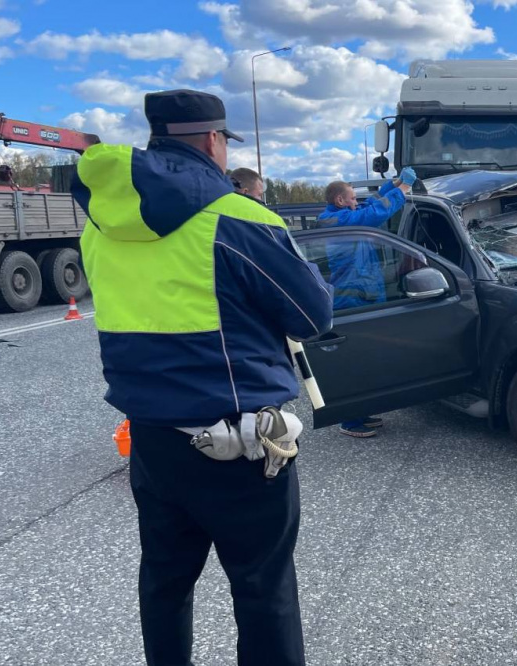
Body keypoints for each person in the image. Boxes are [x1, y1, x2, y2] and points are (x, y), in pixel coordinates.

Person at [71, 89, 334, 666]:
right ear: (214, 140)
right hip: (239, 449)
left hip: (153, 442)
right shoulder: (239, 219)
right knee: (263, 592)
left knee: (164, 583)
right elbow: (313, 315)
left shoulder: (101, 226)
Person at [317, 168, 415, 438]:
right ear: (339, 201)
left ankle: (361, 412)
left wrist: (394, 183)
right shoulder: (335, 221)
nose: (356, 202)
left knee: (367, 360)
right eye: (351, 198)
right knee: (354, 362)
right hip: (351, 299)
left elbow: (371, 203)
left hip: (364, 295)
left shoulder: (345, 215)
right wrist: (403, 189)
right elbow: (374, 213)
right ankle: (349, 420)